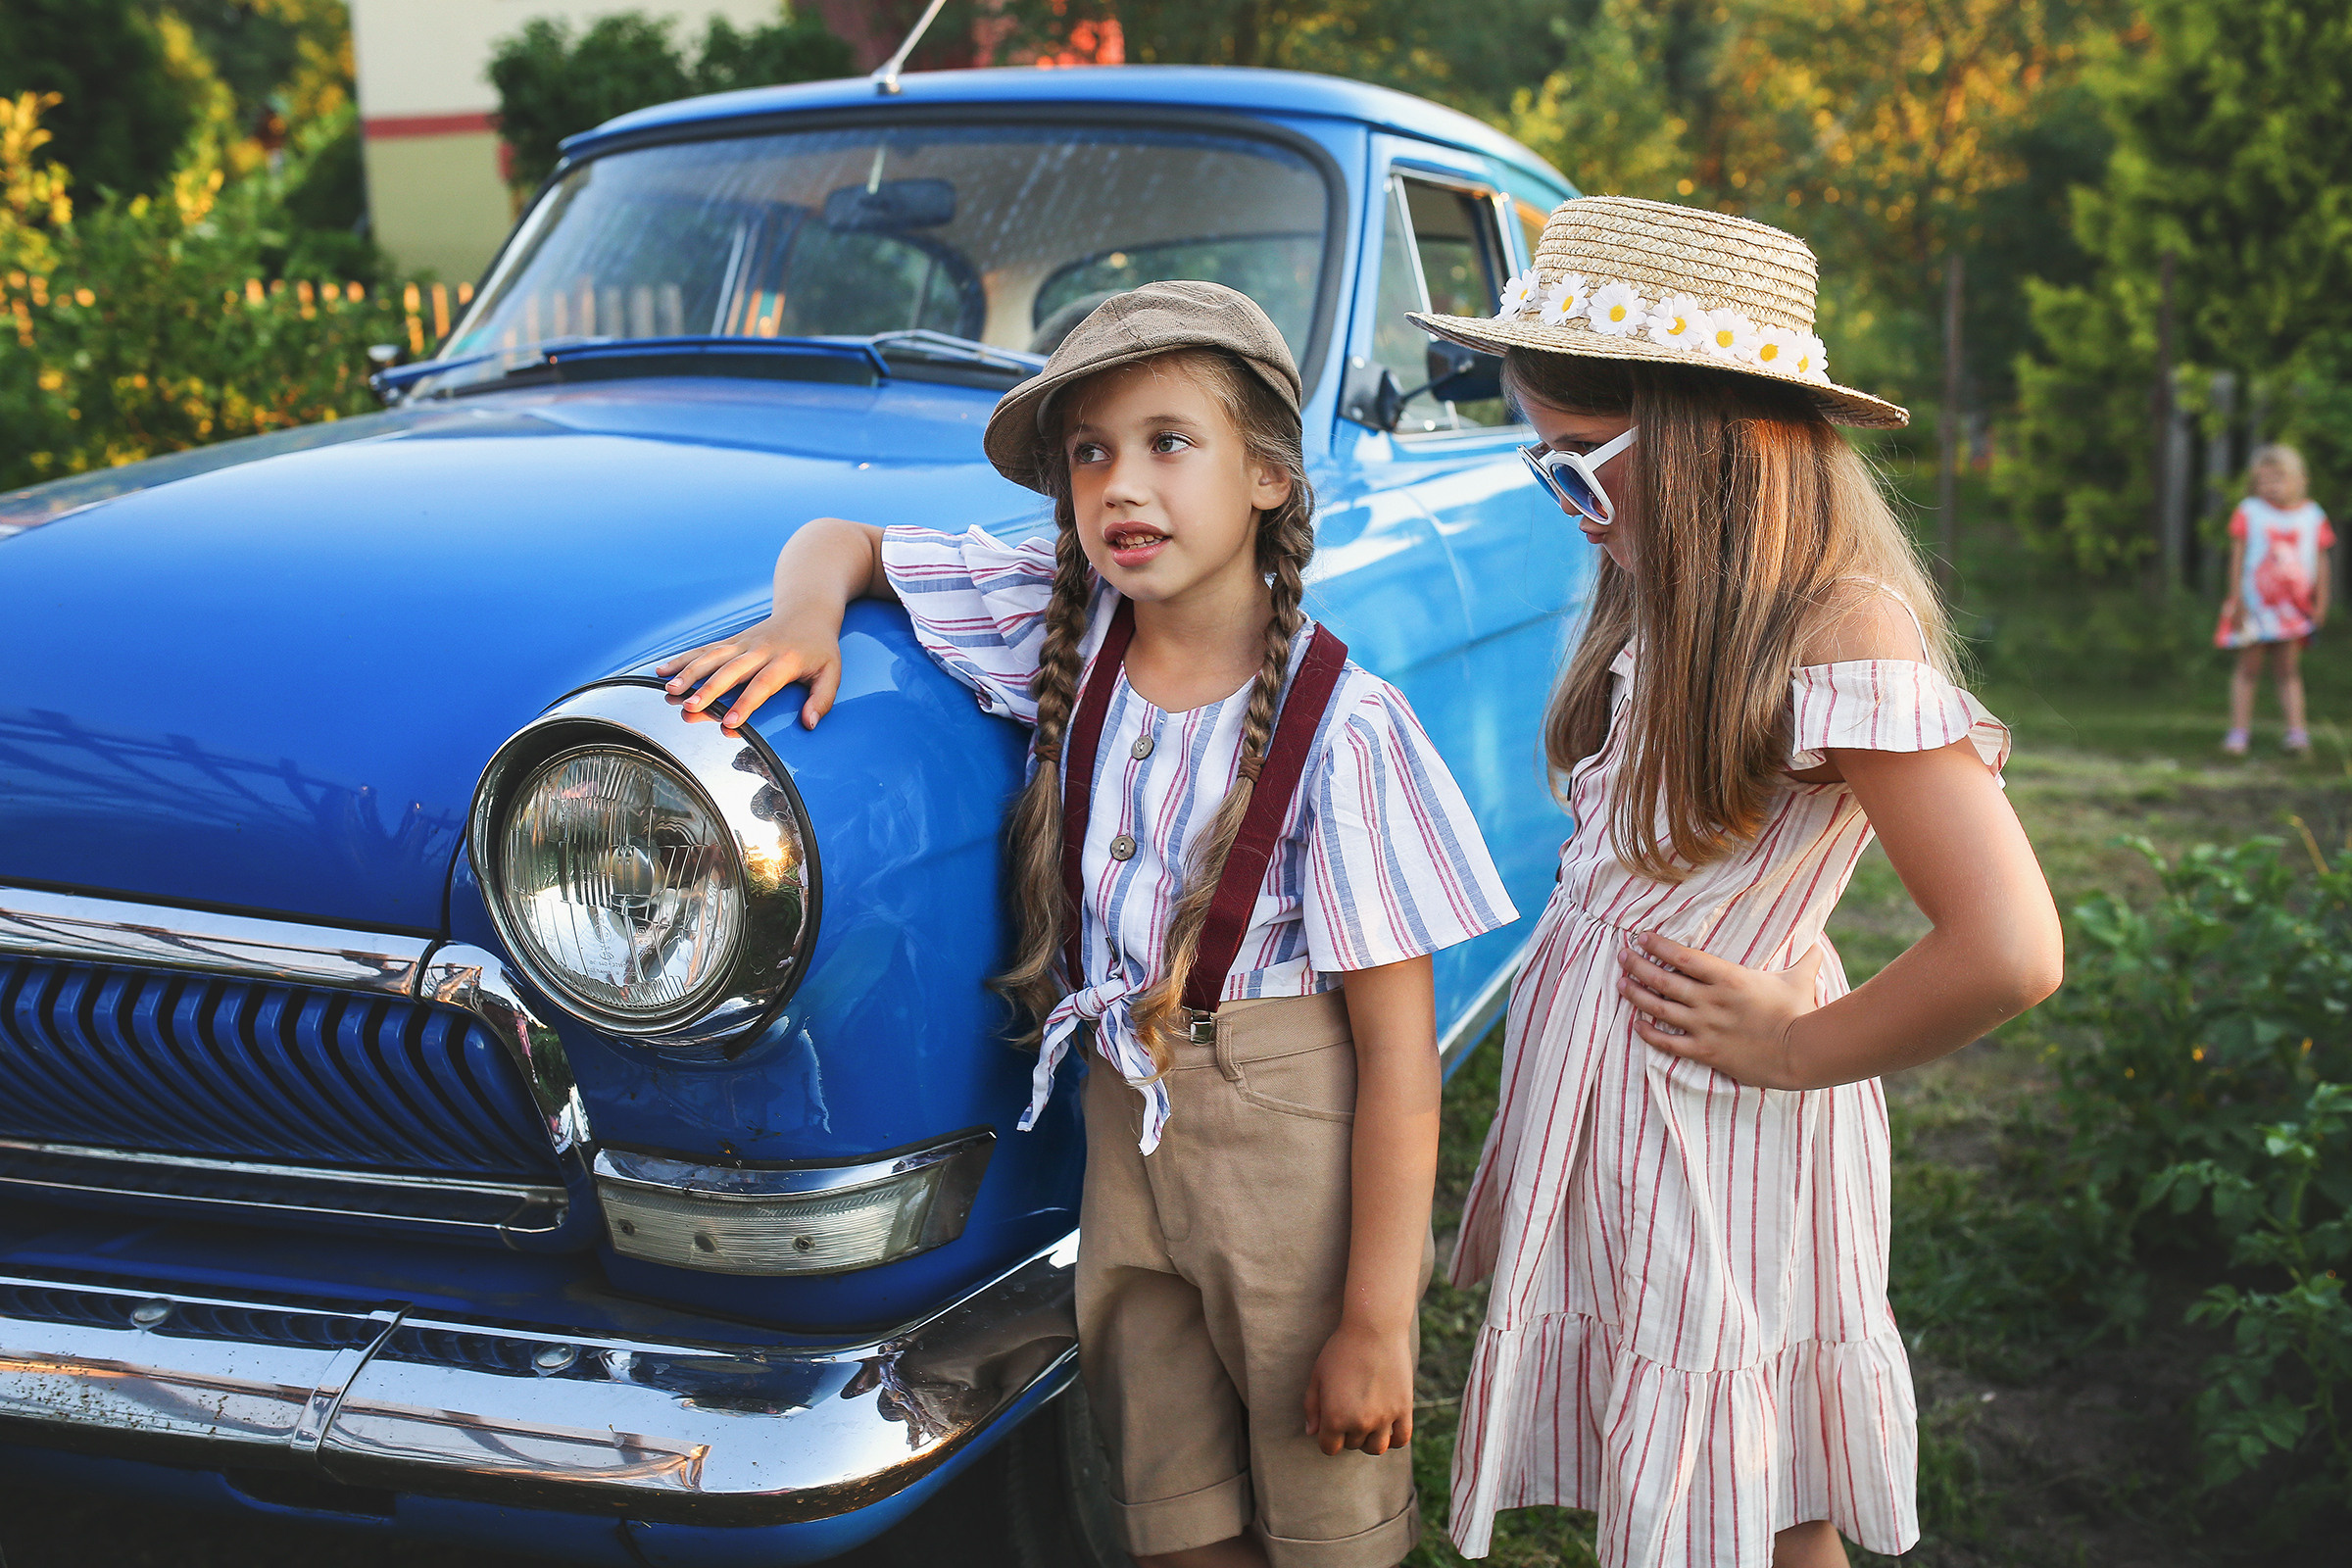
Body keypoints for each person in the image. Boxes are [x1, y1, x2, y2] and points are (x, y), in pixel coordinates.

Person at [655, 280, 1518, 1568]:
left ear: (1269, 475)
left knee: (1320, 1508)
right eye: (1091, 453)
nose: (1121, 486)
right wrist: (803, 621)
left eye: (1169, 443)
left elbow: (1401, 1062)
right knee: (1165, 1500)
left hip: (1291, 1165)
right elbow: (841, 538)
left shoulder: (1345, 730)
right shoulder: (1058, 622)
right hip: (1125, 1147)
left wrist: (1378, 1323)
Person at [1405, 197, 2063, 1567]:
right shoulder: (1674, 599)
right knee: (1732, 1463)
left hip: (1721, 1126)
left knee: (1749, 1469)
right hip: (1635, 1113)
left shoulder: (1842, 633)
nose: (1569, 505)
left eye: (1583, 465)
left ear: (1708, 445)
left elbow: (2009, 945)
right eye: (1551, 470)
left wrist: (1799, 1044)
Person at [2216, 443, 2332, 756]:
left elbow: (2321, 562)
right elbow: (2237, 560)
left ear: (2300, 479)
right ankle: (2238, 732)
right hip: (2254, 608)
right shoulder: (2249, 512)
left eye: (2278, 479)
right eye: (2263, 481)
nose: (2270, 487)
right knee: (2248, 669)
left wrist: (2321, 602)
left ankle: (2297, 733)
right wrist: (2235, 599)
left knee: (2289, 671)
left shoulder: (2313, 516)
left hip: (2293, 611)